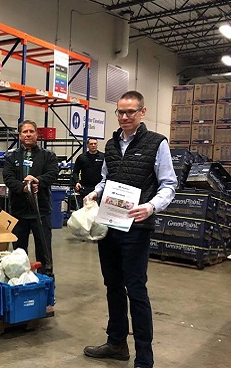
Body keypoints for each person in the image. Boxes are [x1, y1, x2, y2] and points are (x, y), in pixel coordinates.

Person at [83, 91, 177, 368]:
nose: (124, 117)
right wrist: (94, 193)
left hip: (137, 227)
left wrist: (150, 207)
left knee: (135, 289)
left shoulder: (157, 143)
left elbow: (169, 184)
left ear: (142, 112)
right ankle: (116, 343)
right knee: (112, 285)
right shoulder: (111, 145)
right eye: (121, 112)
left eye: (130, 112)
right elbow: (105, 179)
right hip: (109, 224)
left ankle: (144, 358)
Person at [3, 120, 59, 277]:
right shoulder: (11, 156)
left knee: (44, 250)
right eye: (24, 132)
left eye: (31, 131)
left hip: (41, 212)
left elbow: (53, 173)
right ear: (19, 135)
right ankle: (21, 280)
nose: (28, 134)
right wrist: (23, 188)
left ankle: (46, 281)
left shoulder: (48, 156)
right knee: (19, 252)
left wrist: (37, 181)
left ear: (37, 134)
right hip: (19, 212)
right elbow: (8, 177)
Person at [72, 137, 104, 207]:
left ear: (97, 145)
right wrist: (77, 182)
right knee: (85, 210)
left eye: (95, 144)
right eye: (91, 144)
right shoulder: (82, 157)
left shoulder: (103, 157)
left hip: (99, 188)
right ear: (87, 145)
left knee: (98, 210)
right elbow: (75, 172)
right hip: (85, 188)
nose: (93, 145)